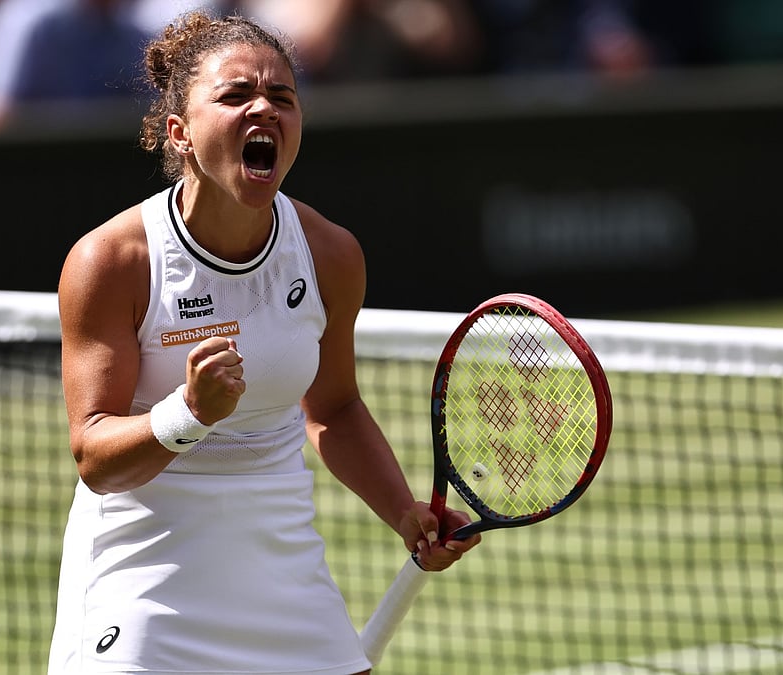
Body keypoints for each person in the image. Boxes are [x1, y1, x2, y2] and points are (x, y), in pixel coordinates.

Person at [47, 10, 479, 674]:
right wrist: (187, 414)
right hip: (143, 578)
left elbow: (332, 408)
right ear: (181, 133)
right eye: (235, 96)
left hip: (282, 566)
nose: (264, 109)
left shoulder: (330, 254)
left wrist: (404, 511)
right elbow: (94, 456)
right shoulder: (112, 261)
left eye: (282, 97)